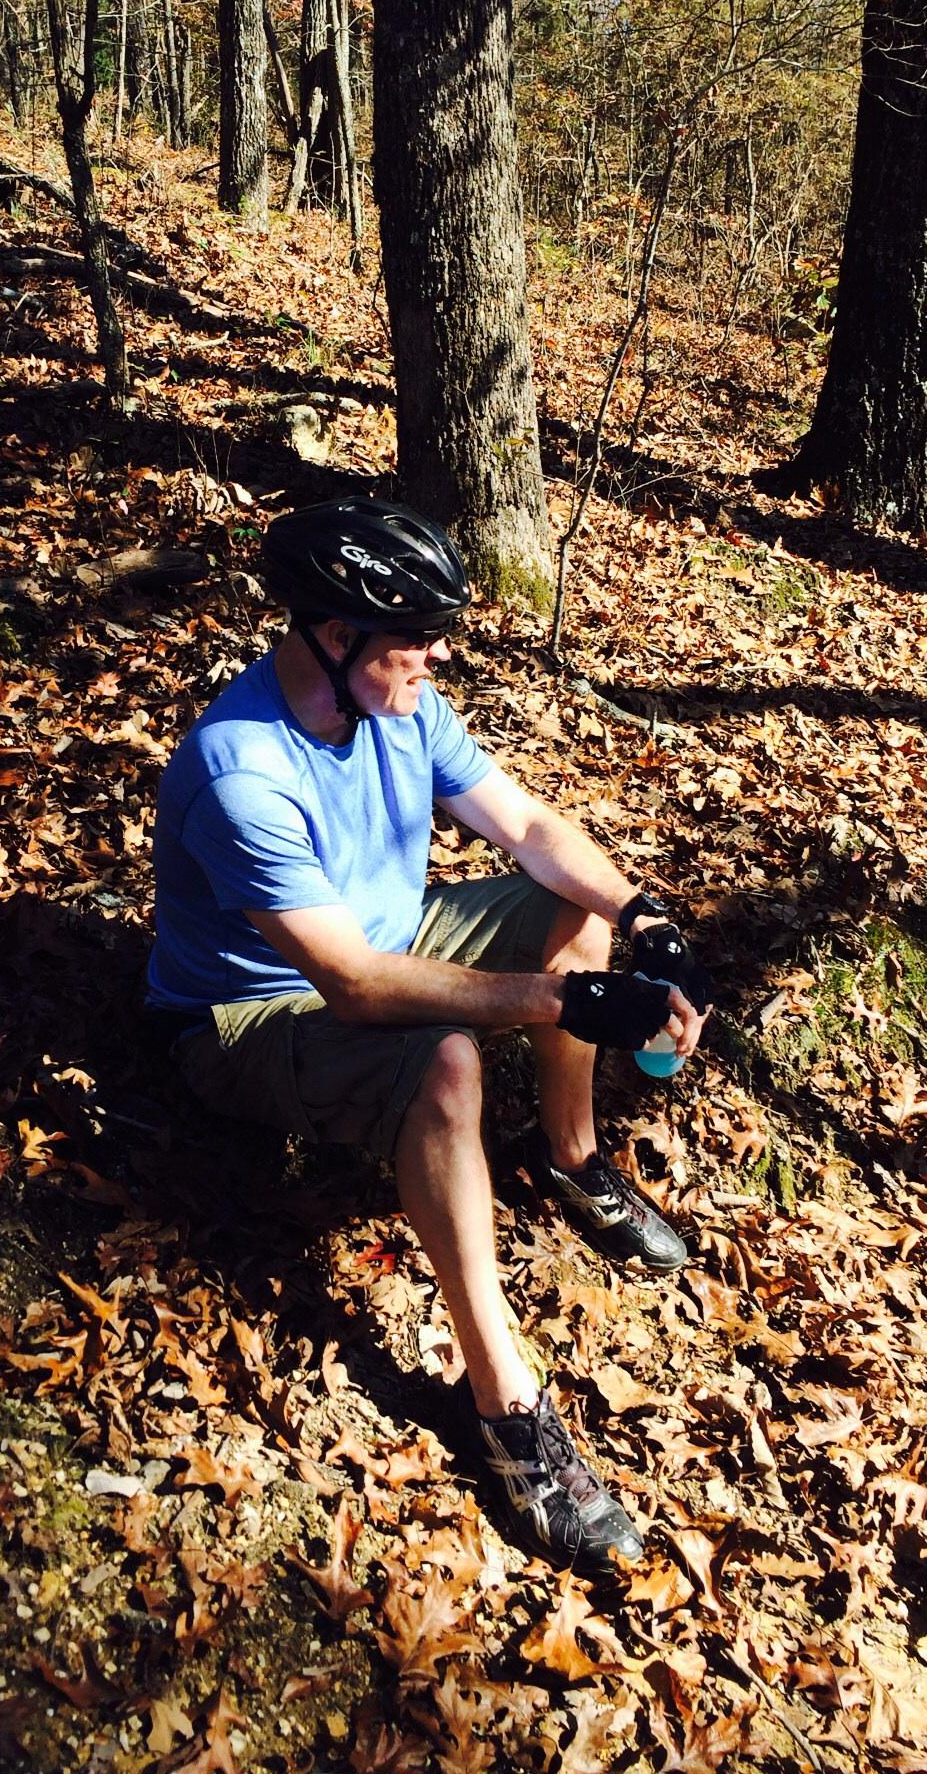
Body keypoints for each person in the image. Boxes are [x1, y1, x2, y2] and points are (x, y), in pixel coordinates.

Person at [144, 496, 713, 1572]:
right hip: (248, 1012)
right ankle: (506, 1404)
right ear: (334, 633)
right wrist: (559, 1002)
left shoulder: (404, 703)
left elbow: (535, 829)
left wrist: (646, 916)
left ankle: (573, 1158)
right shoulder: (240, 769)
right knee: (446, 1062)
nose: (439, 655)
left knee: (573, 908)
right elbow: (354, 984)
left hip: (386, 931)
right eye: (416, 635)